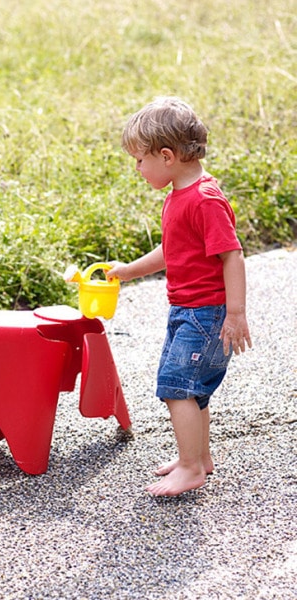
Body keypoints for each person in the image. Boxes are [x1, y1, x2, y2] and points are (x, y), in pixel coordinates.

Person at [107, 97, 252, 497]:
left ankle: (190, 467)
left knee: (177, 388)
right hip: (187, 311)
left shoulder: (203, 200)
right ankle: (198, 457)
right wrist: (128, 270)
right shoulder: (180, 195)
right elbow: (172, 251)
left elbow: (232, 254)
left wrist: (235, 313)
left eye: (139, 160)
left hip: (205, 314)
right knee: (193, 389)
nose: (137, 169)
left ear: (167, 156)